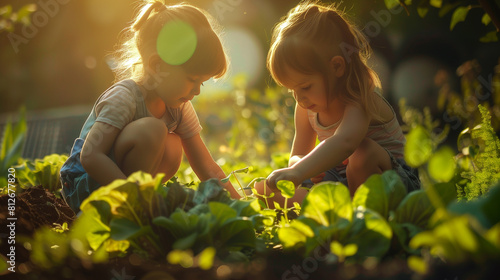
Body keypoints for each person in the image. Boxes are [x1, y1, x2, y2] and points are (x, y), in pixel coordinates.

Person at [60, 1, 240, 213]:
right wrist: (133, 197)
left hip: (126, 188)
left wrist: (241, 206)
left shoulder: (179, 107)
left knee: (173, 144)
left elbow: (207, 166)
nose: (197, 91)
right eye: (192, 79)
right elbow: (90, 156)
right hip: (86, 187)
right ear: (156, 66)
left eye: (202, 83)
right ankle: (135, 208)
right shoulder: (124, 98)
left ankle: (142, 205)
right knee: (153, 130)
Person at [255, 1, 420, 206]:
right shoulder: (305, 107)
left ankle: (360, 218)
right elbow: (298, 154)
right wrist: (301, 166)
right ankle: (338, 213)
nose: (299, 97)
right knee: (265, 190)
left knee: (362, 152)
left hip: (391, 182)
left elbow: (346, 142)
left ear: (337, 66)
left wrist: (298, 172)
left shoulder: (358, 97)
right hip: (340, 182)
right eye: (292, 90)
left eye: (305, 87)